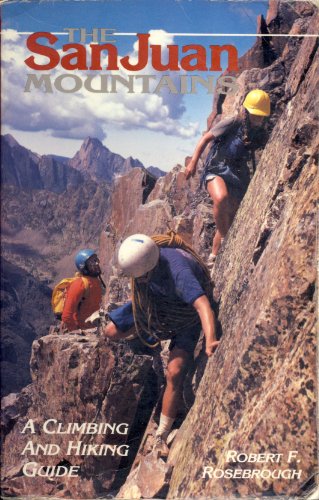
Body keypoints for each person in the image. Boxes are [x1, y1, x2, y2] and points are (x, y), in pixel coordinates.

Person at [101, 233, 219, 457]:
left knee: (174, 372)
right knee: (110, 331)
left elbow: (203, 305)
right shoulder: (147, 265)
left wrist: (210, 339)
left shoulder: (179, 274)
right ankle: (146, 331)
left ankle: (162, 434)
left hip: (185, 318)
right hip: (157, 301)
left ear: (149, 270)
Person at [185, 89, 270, 264]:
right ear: (246, 111)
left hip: (237, 175)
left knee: (228, 216)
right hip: (217, 168)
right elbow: (205, 139)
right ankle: (226, 239)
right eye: (255, 115)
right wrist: (193, 163)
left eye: (261, 116)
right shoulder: (232, 122)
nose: (258, 119)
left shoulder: (259, 132)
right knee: (221, 198)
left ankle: (213, 257)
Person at [62, 249, 104, 331]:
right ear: (84, 267)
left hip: (94, 327)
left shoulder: (96, 280)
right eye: (92, 262)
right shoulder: (79, 284)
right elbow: (66, 315)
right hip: (84, 329)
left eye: (96, 260)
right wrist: (76, 332)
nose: (97, 263)